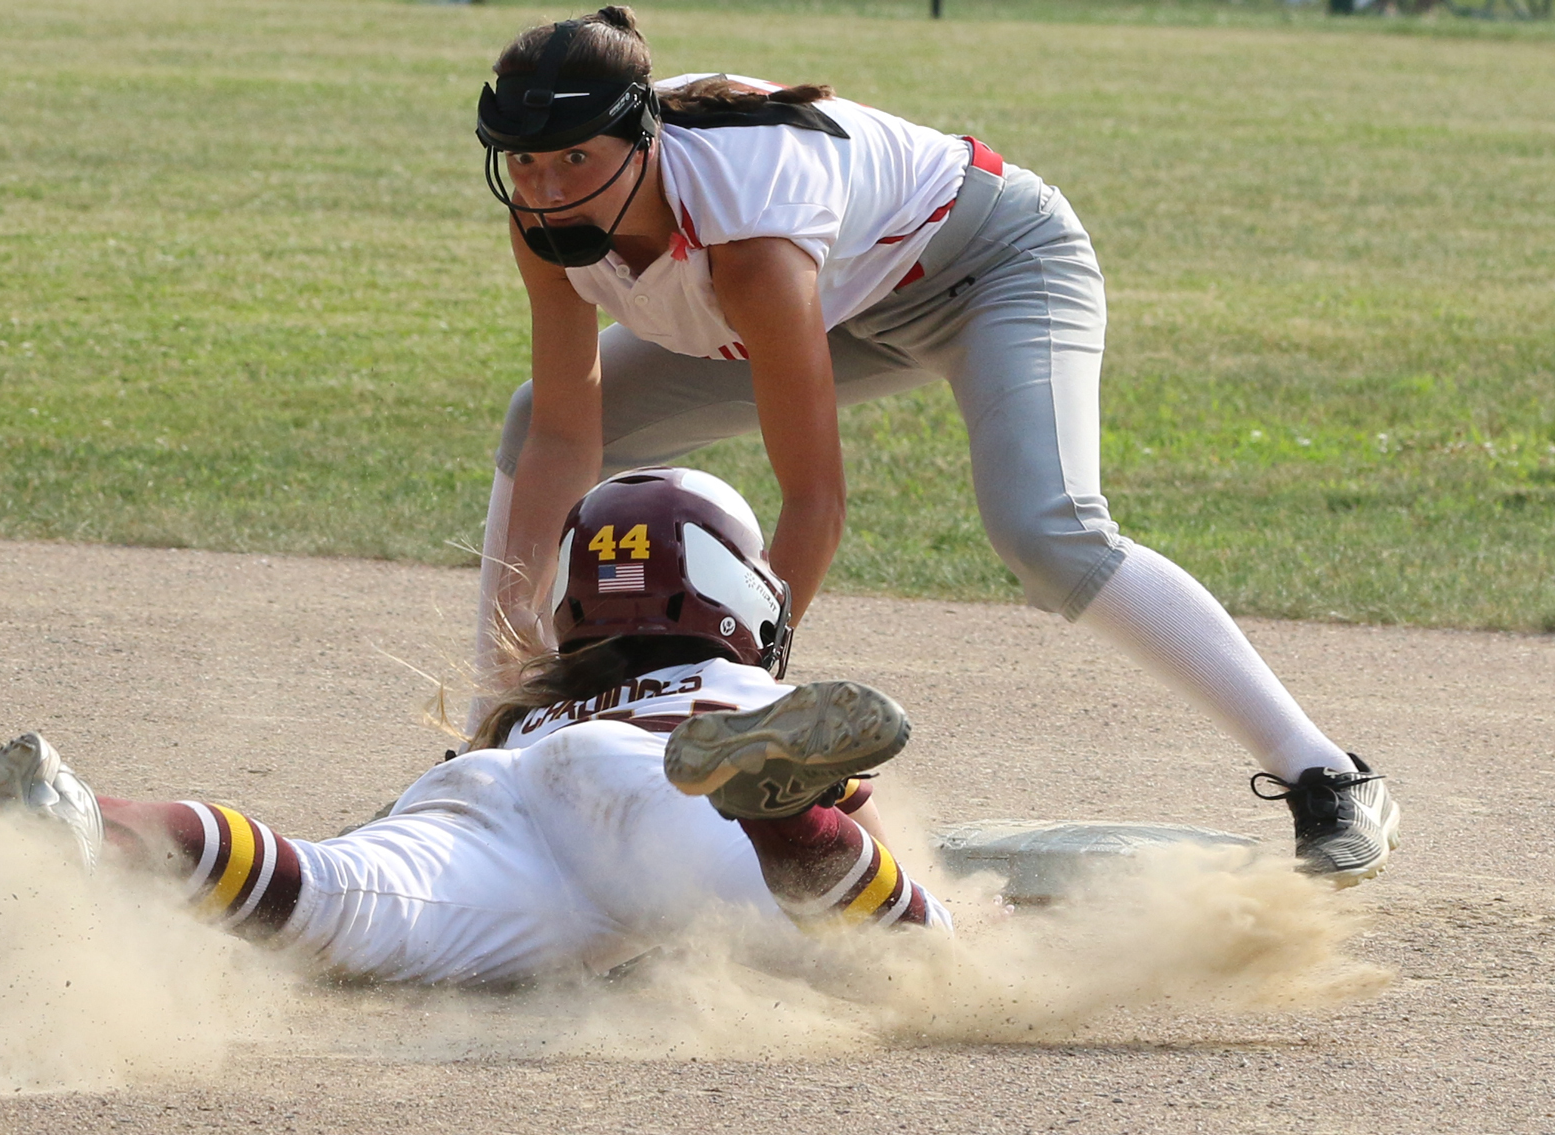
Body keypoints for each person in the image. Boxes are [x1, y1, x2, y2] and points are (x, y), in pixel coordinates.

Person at [467, 7, 1398, 884]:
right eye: (526, 161)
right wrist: (503, 707)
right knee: (530, 419)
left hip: (993, 265)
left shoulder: (751, 228)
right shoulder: (548, 214)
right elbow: (564, 434)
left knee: (1047, 533)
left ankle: (1326, 773)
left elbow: (815, 499)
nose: (547, 188)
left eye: (575, 158)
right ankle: (486, 745)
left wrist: (745, 708)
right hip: (845, 296)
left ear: (643, 137)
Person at [0, 467, 950, 988]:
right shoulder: (731, 684)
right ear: (740, 590)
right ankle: (782, 813)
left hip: (484, 789)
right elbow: (871, 815)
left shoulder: (530, 714)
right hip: (665, 782)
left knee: (329, 893)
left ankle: (98, 817)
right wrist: (840, 812)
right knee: (915, 961)